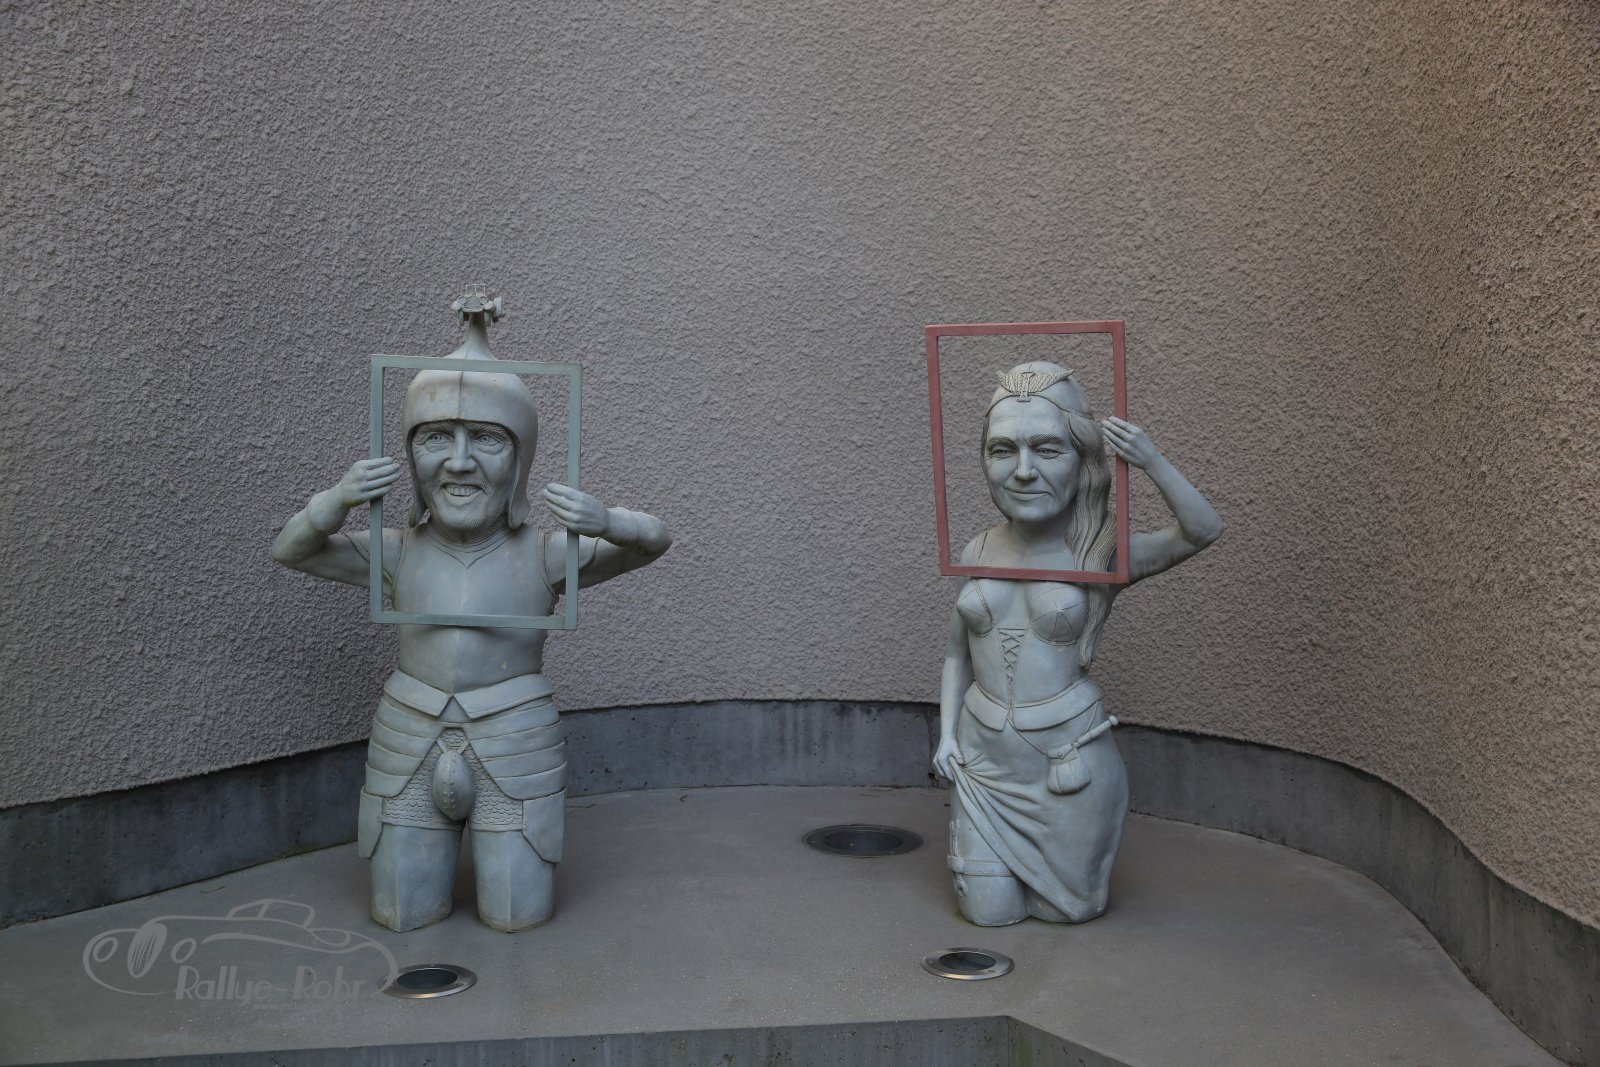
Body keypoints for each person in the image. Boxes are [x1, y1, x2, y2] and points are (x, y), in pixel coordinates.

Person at [271, 291, 671, 932]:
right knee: (401, 910)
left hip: (515, 741)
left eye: (486, 439)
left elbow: (654, 541)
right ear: (410, 459)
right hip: (408, 736)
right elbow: (291, 550)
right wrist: (338, 498)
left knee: (515, 913)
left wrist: (608, 520)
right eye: (435, 438)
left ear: (521, 460)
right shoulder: (397, 551)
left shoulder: (545, 554)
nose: (459, 462)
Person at [935, 361, 1221, 925]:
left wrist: (1149, 459)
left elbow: (1202, 530)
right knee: (987, 913)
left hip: (1064, 767)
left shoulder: (1099, 552)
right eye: (1003, 450)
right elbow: (956, 654)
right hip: (984, 763)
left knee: (1064, 911)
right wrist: (944, 735)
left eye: (1047, 450)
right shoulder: (977, 550)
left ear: (1083, 458)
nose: (1023, 471)